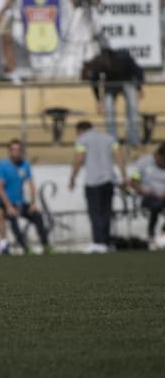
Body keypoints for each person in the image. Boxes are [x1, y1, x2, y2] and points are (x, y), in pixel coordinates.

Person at [68, 121, 126, 254]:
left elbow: (79, 158)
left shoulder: (82, 139)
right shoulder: (109, 138)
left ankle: (98, 242)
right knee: (106, 212)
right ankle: (105, 242)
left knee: (95, 213)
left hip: (93, 182)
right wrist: (124, 176)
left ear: (81, 130)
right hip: (108, 181)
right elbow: (119, 156)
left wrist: (72, 178)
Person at [0, 139, 53, 256]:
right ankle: (25, 248)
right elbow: (0, 188)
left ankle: (46, 245)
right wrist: (8, 206)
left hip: (20, 202)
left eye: (18, 150)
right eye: (13, 150)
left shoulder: (24, 164)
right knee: (12, 218)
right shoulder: (1, 165)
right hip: (5, 203)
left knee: (37, 215)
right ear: (9, 151)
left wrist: (32, 203)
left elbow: (31, 184)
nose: (16, 152)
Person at [82, 45, 144, 148]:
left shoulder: (123, 58)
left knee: (133, 110)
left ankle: (134, 140)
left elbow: (138, 71)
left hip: (127, 82)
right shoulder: (100, 62)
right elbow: (94, 82)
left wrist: (139, 87)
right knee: (109, 112)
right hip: (110, 85)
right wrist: (98, 100)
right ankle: (112, 141)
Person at [61, 0, 102, 78]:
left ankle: (91, 69)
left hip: (90, 12)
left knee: (89, 41)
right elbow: (73, 0)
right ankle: (72, 69)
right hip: (79, 12)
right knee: (75, 40)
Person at [128, 143, 165, 250]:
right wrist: (145, 192)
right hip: (148, 196)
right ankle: (151, 234)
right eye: (162, 160)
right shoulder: (143, 163)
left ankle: (163, 232)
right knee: (156, 205)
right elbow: (133, 181)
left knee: (160, 203)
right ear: (158, 155)